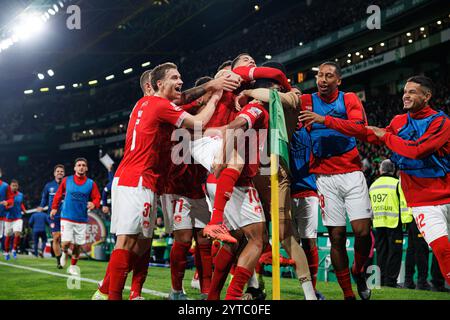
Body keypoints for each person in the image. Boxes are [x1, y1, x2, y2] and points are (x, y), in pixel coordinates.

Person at [98, 62, 233, 300]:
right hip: (138, 181)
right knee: (128, 242)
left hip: (137, 180)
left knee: (140, 246)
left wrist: (210, 86)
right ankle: (112, 295)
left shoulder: (145, 103)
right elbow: (199, 123)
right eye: (174, 77)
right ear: (159, 84)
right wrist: (214, 97)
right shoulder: (161, 105)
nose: (180, 81)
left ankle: (105, 290)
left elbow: (185, 98)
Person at [311, 75, 449, 286]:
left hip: (447, 194)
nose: (406, 95)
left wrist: (386, 137)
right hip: (422, 203)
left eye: (412, 91)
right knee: (442, 251)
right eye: (404, 91)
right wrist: (327, 121)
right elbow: (367, 133)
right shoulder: (398, 122)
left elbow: (419, 150)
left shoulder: (441, 122)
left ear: (427, 96)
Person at [298, 61, 374, 300]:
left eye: (328, 76)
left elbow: (359, 128)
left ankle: (358, 270)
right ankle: (348, 294)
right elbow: (283, 102)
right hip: (324, 176)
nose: (322, 79)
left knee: (362, 232)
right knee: (336, 236)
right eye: (319, 75)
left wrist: (324, 120)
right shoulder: (307, 100)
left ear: (338, 81)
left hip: (351, 172)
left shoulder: (349, 98)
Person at [51, 158, 101, 274]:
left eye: (83, 165)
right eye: (79, 165)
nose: (81, 167)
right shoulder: (66, 180)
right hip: (67, 216)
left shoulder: (91, 183)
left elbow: (97, 198)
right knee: (66, 242)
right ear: (75, 168)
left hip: (81, 219)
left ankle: (73, 266)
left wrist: (94, 203)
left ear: (86, 168)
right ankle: (64, 253)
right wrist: (54, 207)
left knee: (78, 245)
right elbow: (58, 195)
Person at [369, 159, 412, 288]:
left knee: (382, 252)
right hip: (394, 223)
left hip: (379, 223)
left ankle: (381, 280)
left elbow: (370, 207)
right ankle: (390, 281)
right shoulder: (397, 184)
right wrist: (407, 221)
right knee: (395, 253)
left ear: (381, 170)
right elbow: (404, 204)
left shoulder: (373, 185)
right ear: (393, 170)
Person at [37, 164, 65, 268]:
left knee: (65, 239)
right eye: (58, 171)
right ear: (54, 173)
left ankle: (64, 254)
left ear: (64, 174)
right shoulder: (49, 186)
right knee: (56, 237)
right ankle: (58, 261)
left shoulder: (68, 185)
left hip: (66, 215)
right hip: (53, 216)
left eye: (61, 171)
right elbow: (44, 198)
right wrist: (41, 206)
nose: (59, 173)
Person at [3, 180, 26, 260]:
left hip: (18, 218)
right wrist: (6, 206)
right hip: (8, 218)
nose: (14, 187)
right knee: (8, 236)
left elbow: (20, 203)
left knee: (17, 233)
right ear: (10, 186)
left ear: (18, 186)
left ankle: (14, 250)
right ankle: (6, 252)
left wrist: (23, 209)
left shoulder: (20, 195)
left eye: (16, 186)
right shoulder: (6, 196)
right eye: (13, 185)